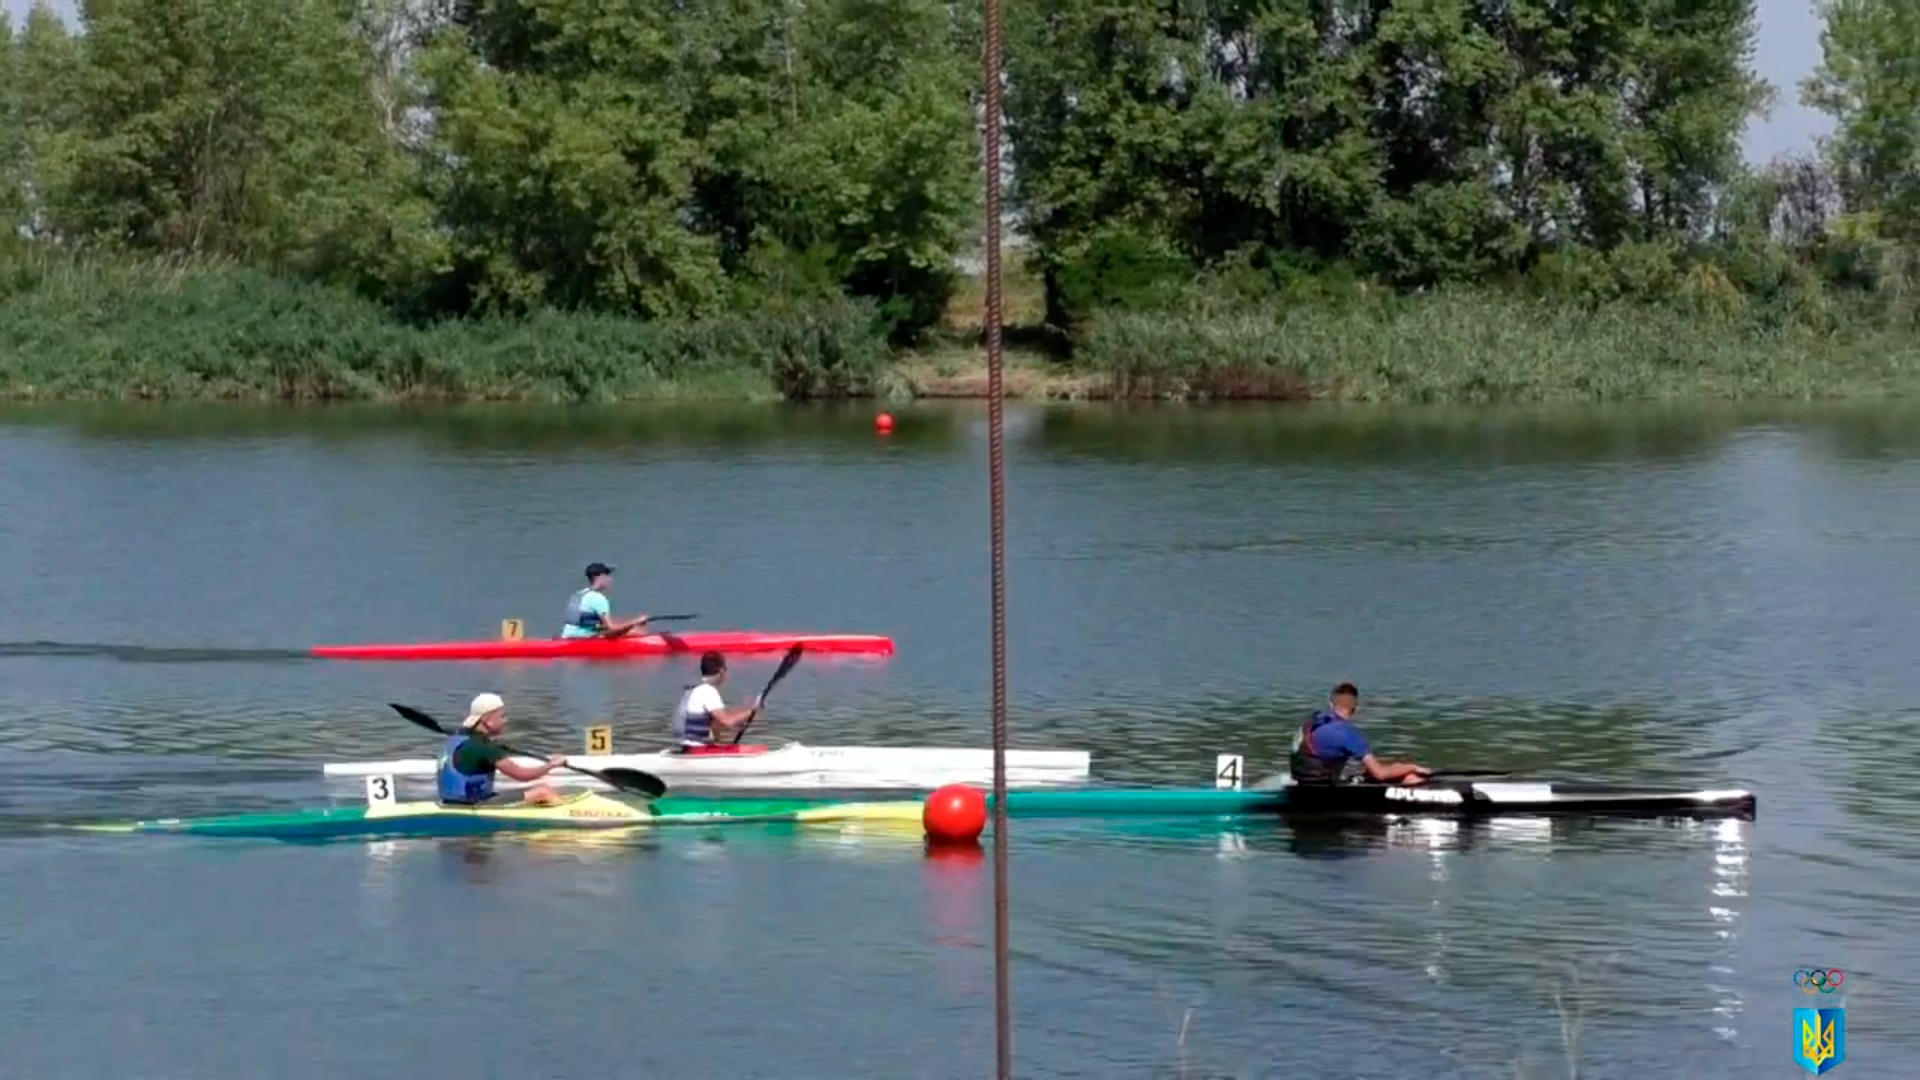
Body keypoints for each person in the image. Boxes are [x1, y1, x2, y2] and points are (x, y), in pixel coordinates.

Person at [436, 693, 569, 806]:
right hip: (474, 804)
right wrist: (551, 765)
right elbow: (522, 775)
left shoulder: (458, 738)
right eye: (501, 716)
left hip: (449, 801)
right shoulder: (485, 747)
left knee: (536, 794)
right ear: (487, 720)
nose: (505, 721)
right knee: (542, 791)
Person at [1289, 682, 1432, 786]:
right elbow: (1380, 774)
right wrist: (1412, 767)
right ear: (1355, 707)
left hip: (1303, 781)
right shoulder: (1347, 734)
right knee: (1409, 777)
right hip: (1322, 788)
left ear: (1331, 703)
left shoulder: (1313, 721)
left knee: (1381, 768)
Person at [670, 651, 764, 748]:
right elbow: (727, 722)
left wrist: (741, 721)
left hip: (684, 746)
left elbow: (719, 723)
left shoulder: (693, 689)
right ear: (721, 672)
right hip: (696, 749)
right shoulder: (708, 691)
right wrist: (752, 711)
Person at [561, 562, 649, 639]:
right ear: (599, 577)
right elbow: (612, 630)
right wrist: (636, 621)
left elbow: (589, 622)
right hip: (584, 639)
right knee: (639, 632)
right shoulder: (598, 598)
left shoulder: (578, 594)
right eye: (607, 575)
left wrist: (628, 624)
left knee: (629, 629)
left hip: (567, 636)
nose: (610, 579)